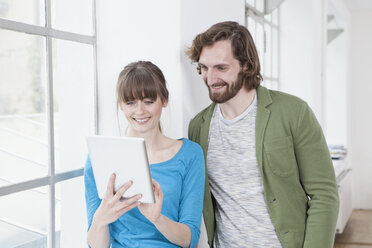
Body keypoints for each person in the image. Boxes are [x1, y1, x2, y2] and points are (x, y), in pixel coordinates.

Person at [186, 21, 339, 248]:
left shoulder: (293, 112)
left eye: (221, 68)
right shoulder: (198, 126)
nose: (210, 78)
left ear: (246, 65)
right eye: (204, 68)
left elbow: (324, 194)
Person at [84, 61, 205, 248]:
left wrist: (157, 219)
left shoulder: (190, 154)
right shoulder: (99, 158)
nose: (140, 111)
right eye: (130, 102)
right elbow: (97, 245)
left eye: (148, 101)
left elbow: (190, 239)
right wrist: (101, 219)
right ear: (121, 106)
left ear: (164, 101)